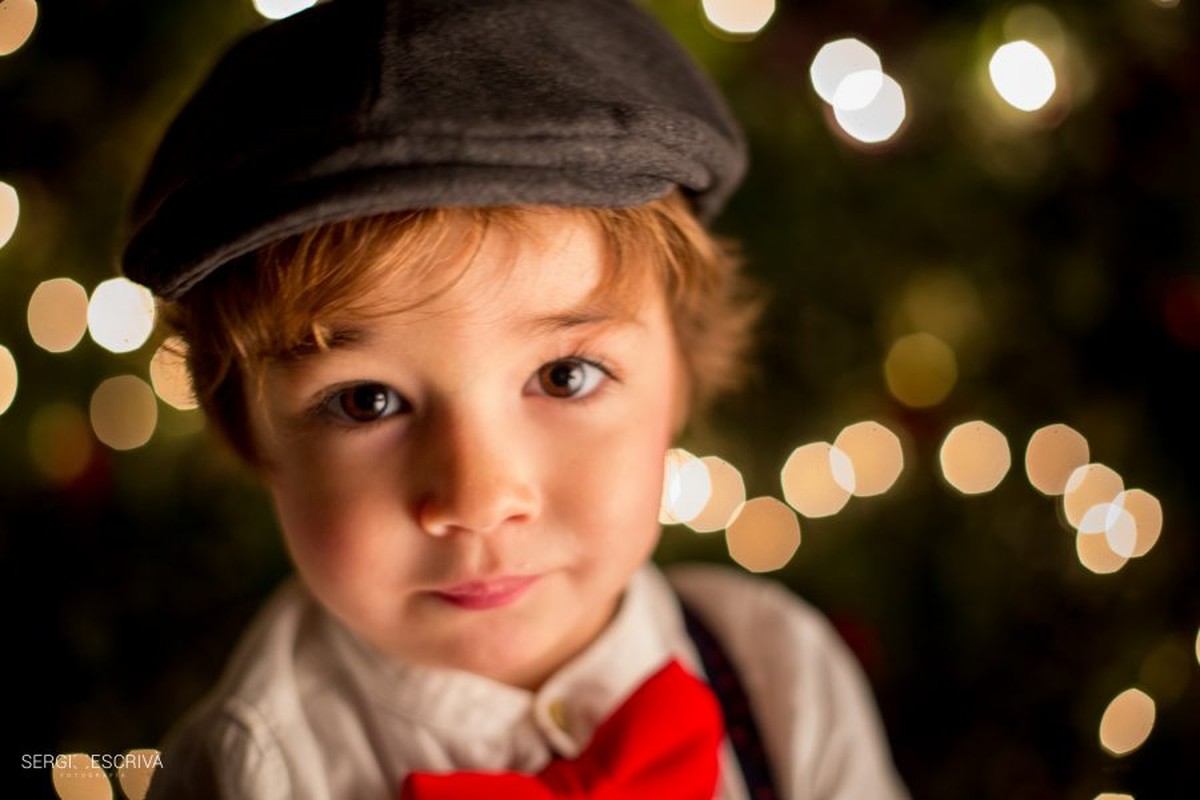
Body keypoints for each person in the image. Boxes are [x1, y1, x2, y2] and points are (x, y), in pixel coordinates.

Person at [121, 0, 908, 797]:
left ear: (681, 378)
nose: (479, 498)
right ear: (250, 435)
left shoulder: (776, 673)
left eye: (565, 376)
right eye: (366, 401)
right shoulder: (246, 772)